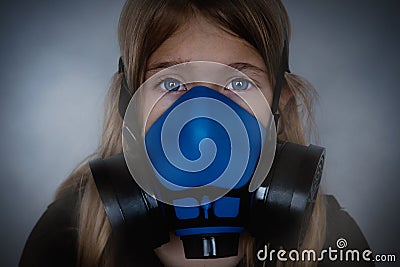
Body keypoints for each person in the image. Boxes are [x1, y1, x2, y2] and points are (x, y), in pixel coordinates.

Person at [20, 1, 373, 266]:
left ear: (278, 101)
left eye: (238, 82)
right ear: (130, 103)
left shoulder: (329, 237)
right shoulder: (70, 234)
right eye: (171, 83)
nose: (204, 114)